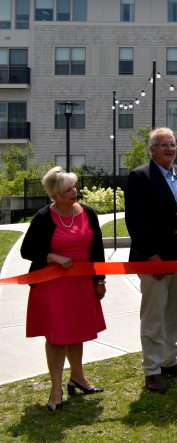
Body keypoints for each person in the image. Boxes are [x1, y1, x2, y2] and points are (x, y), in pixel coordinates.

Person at [21, 167, 106, 411]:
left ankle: (78, 377)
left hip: (81, 284)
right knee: (57, 336)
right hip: (52, 286)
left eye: (74, 187)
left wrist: (99, 281)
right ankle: (55, 388)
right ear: (56, 194)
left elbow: (97, 250)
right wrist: (52, 257)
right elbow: (26, 250)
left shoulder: (88, 213)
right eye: (68, 189)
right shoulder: (43, 217)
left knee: (76, 332)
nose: (74, 191)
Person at [125, 127, 177, 394]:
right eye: (164, 145)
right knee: (154, 316)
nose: (170, 149)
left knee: (174, 313)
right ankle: (152, 371)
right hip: (153, 259)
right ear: (152, 149)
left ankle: (169, 362)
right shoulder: (140, 177)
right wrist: (150, 254)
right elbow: (135, 220)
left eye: (173, 144)